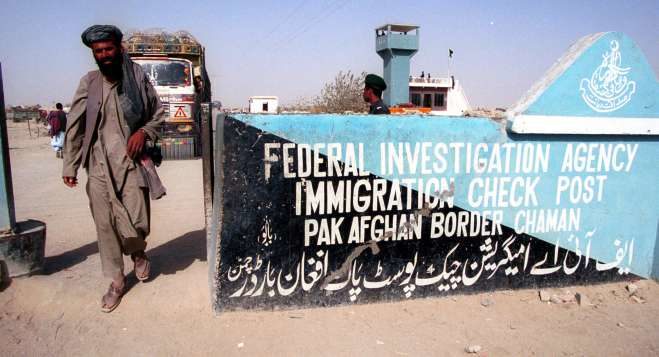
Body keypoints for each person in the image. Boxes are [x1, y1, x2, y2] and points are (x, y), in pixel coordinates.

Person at [62, 25, 165, 313]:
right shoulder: (90, 82)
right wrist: (70, 164)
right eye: (99, 51)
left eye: (108, 49)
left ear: (119, 48)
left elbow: (158, 113)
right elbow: (75, 125)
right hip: (98, 166)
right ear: (93, 54)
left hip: (131, 164)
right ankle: (117, 280)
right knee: (105, 224)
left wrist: (143, 132)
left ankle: (138, 253)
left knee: (136, 219)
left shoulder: (137, 77)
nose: (104, 55)